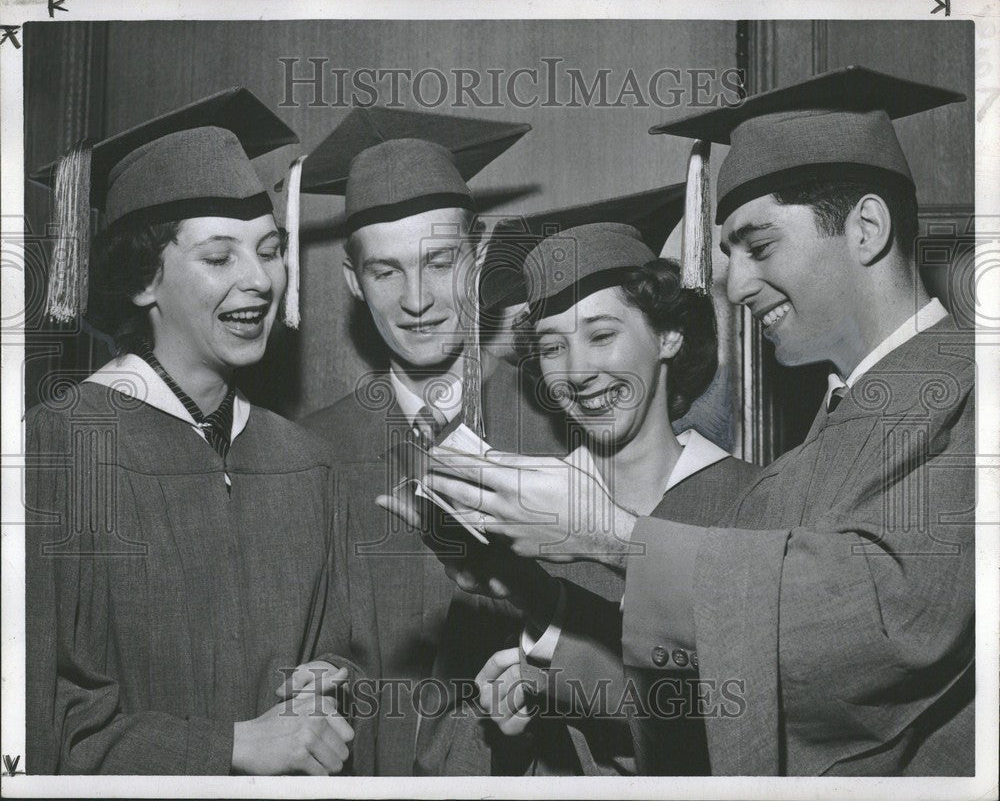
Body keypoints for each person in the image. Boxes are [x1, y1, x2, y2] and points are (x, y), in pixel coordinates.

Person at [419, 66, 975, 776]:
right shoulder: (832, 429)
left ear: (866, 228)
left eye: (759, 245)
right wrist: (535, 601)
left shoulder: (968, 392)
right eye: (729, 252)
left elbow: (884, 629)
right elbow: (751, 696)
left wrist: (611, 536)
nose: (733, 285)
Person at [25, 89, 372, 775]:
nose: (259, 280)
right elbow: (38, 722)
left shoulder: (302, 459)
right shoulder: (61, 448)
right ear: (144, 282)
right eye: (220, 257)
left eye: (269, 251)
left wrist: (326, 683)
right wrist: (234, 747)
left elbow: (338, 649)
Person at [412, 222, 759, 775]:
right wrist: (512, 743)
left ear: (669, 335)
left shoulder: (756, 505)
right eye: (552, 346)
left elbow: (758, 726)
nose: (577, 373)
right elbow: (446, 759)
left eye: (601, 335)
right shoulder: (514, 512)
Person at [292, 106, 574, 775]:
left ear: (478, 258)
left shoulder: (560, 428)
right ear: (354, 284)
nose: (416, 299)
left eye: (440, 261)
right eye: (387, 272)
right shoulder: (309, 453)